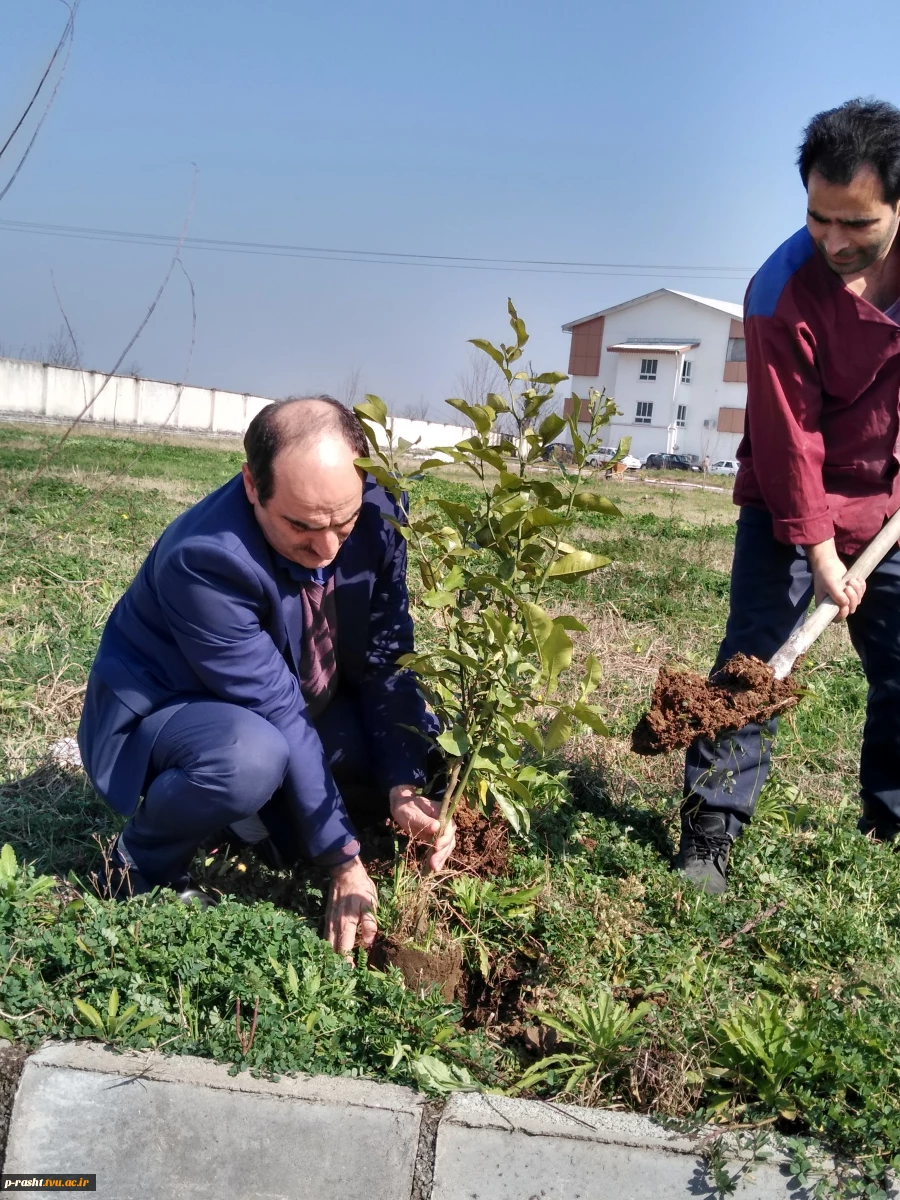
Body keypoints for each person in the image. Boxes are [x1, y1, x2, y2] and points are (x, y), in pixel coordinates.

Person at [77, 396, 455, 952]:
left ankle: (257, 820)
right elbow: (277, 710)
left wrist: (403, 783)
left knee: (416, 740)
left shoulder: (377, 509)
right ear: (253, 487)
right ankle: (141, 860)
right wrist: (344, 863)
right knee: (248, 758)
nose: (326, 549)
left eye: (342, 523)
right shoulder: (205, 560)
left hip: (300, 703)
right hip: (178, 714)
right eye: (302, 526)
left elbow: (386, 657)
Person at [676, 98, 900, 893]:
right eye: (818, 219)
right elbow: (789, 439)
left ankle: (888, 825)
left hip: (891, 497)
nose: (836, 241)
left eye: (858, 224)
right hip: (791, 498)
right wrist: (820, 554)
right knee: (759, 658)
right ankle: (711, 828)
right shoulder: (780, 292)